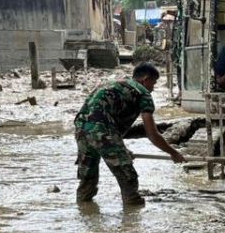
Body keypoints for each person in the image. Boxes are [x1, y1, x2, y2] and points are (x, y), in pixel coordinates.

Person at [73, 63, 185, 209]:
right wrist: (173, 153)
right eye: (154, 83)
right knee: (128, 179)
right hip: (102, 130)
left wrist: (122, 150)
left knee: (87, 178)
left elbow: (107, 121)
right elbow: (152, 134)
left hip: (81, 129)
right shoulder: (143, 93)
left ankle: (85, 214)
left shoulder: (114, 84)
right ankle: (132, 224)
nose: (153, 88)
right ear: (145, 79)